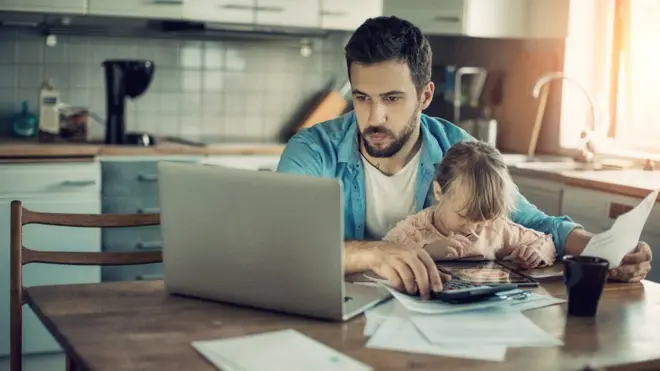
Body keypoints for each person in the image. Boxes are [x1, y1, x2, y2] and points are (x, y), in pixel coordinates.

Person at [276, 16, 652, 298]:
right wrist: (375, 254)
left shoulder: (458, 149)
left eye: (392, 98)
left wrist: (607, 251)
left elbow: (534, 222)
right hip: (339, 309)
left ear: (424, 96)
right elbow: (282, 244)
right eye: (362, 98)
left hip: (434, 315)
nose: (374, 118)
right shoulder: (311, 150)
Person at [382, 141, 557, 284]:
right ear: (438, 192)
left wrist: (536, 254)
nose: (474, 228)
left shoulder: (496, 229)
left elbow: (545, 242)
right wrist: (426, 252)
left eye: (483, 218)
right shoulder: (415, 231)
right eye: (463, 216)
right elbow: (382, 257)